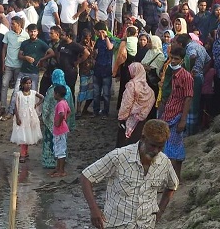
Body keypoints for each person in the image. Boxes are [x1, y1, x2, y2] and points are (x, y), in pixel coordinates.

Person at [80, 119, 178, 229]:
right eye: (153, 145)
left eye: (160, 147)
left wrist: (160, 212)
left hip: (146, 225)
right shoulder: (119, 156)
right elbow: (86, 177)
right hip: (116, 224)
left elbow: (172, 185)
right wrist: (94, 210)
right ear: (143, 138)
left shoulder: (164, 162)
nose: (156, 151)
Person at [159, 46, 193, 179]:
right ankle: (175, 179)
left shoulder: (186, 76)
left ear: (182, 60)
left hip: (177, 116)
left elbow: (188, 98)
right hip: (168, 114)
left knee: (170, 152)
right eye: (172, 58)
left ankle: (170, 181)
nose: (173, 61)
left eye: (176, 59)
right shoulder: (170, 72)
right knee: (175, 150)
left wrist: (183, 120)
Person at [41, 69, 75, 169]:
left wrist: (45, 118)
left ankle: (51, 162)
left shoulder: (52, 90)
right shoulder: (67, 89)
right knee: (62, 144)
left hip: (54, 122)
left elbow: (46, 107)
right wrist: (69, 120)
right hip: (64, 123)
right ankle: (61, 162)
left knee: (51, 141)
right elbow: (71, 108)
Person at [117, 62, 156, 148]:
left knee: (124, 144)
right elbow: (151, 102)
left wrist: (121, 118)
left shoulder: (132, 86)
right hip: (141, 120)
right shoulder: (148, 89)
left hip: (129, 119)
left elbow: (126, 104)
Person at [10, 76, 44, 163]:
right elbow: (16, 107)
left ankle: (25, 152)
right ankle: (23, 153)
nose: (28, 85)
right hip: (22, 117)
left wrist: (36, 104)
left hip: (31, 117)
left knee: (28, 133)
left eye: (29, 83)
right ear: (22, 84)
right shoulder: (19, 94)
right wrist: (17, 117)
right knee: (23, 135)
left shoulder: (33, 93)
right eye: (26, 83)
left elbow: (42, 97)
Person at [92, 22, 114, 119]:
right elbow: (95, 51)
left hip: (106, 69)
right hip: (98, 69)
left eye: (96, 31)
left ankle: (105, 112)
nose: (95, 33)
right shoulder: (97, 41)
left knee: (106, 94)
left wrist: (106, 37)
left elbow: (110, 47)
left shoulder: (111, 40)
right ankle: (96, 111)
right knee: (96, 93)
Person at [51, 84, 70, 178]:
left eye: (54, 93)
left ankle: (61, 170)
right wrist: (64, 120)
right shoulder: (64, 102)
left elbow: (62, 114)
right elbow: (68, 112)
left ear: (57, 94)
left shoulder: (60, 104)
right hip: (61, 129)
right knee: (58, 150)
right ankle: (58, 168)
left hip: (60, 130)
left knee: (60, 151)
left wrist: (58, 122)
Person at [76, 29, 95, 118]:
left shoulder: (93, 44)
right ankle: (78, 110)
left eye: (87, 38)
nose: (86, 40)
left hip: (92, 70)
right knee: (82, 91)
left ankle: (85, 109)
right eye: (85, 38)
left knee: (91, 92)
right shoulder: (79, 46)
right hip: (84, 71)